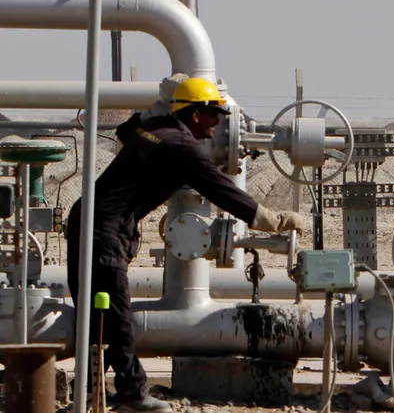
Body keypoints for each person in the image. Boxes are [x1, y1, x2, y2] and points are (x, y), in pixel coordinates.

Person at [66, 77, 306, 412]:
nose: (218, 121)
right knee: (117, 312)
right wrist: (274, 221)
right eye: (213, 114)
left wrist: (162, 100)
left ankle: (88, 393)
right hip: (105, 230)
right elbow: (223, 190)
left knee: (94, 312)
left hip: (85, 218)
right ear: (194, 115)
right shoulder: (182, 146)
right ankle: (131, 392)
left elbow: (125, 132)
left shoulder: (156, 126)